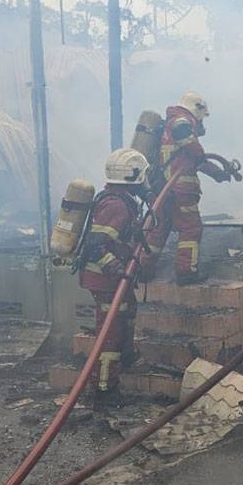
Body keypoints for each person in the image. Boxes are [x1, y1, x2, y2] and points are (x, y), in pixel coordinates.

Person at [78, 148, 149, 409]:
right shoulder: (117, 206)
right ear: (134, 177)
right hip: (105, 281)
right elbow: (95, 246)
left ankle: (126, 357)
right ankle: (104, 389)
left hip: (114, 281)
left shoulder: (121, 199)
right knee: (110, 334)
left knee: (128, 311)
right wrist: (118, 268)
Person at [143, 91, 233, 284]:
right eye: (202, 116)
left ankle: (143, 269)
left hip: (162, 190)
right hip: (180, 190)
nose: (202, 121)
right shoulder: (182, 120)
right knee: (190, 228)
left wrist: (218, 173)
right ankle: (186, 272)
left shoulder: (167, 126)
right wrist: (201, 154)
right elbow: (193, 149)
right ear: (197, 109)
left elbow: (193, 160)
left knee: (158, 230)